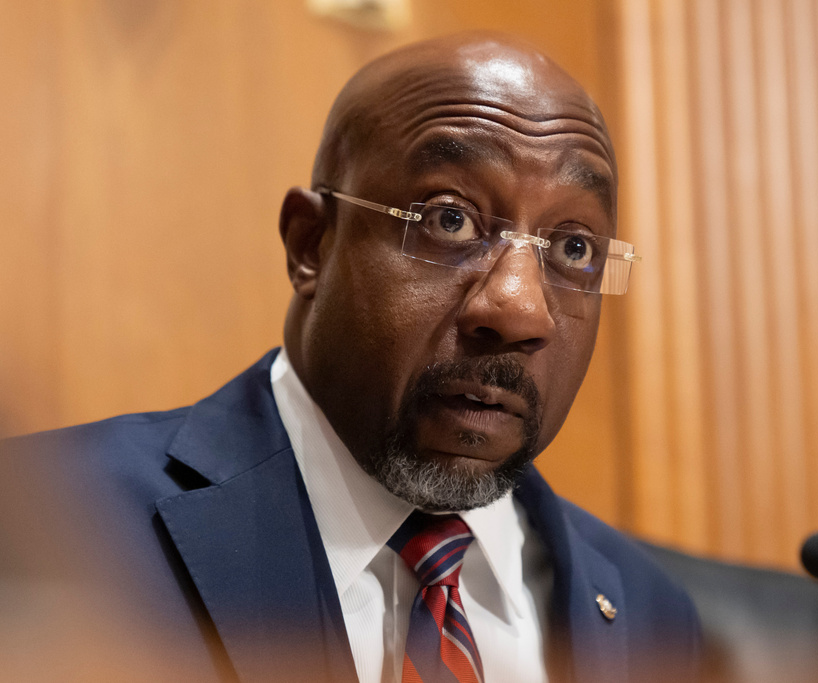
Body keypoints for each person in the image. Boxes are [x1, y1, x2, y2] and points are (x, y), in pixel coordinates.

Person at [2, 33, 700, 682]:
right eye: (449, 218)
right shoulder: (47, 533)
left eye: (573, 248)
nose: (520, 309)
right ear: (311, 244)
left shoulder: (655, 616)